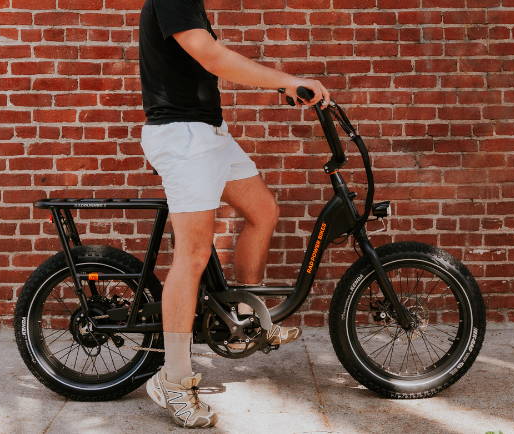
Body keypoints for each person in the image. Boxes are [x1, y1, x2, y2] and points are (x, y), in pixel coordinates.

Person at [137, 0, 330, 428]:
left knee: (262, 210)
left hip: (208, 132)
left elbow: (212, 62)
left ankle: (247, 317)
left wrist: (280, 86)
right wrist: (287, 79)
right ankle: (173, 379)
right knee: (192, 256)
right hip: (182, 137)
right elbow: (212, 55)